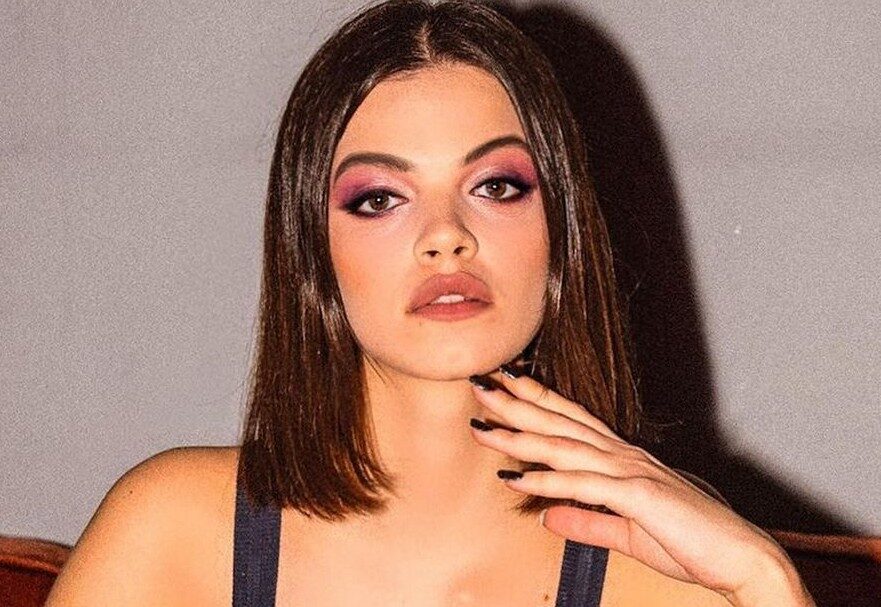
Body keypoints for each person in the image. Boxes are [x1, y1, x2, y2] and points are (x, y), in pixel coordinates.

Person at [46, 1, 814, 605]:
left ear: (561, 231)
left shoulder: (659, 569)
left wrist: (764, 579)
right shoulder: (173, 533)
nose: (446, 236)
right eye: (381, 198)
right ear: (311, 252)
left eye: (496, 186)